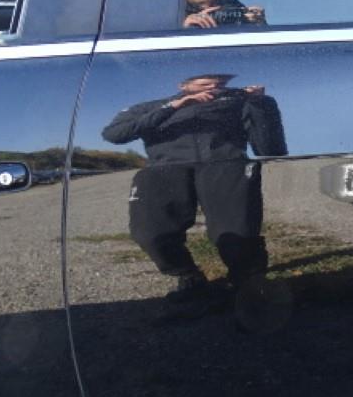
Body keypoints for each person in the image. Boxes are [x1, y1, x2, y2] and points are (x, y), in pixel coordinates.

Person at [101, 74, 286, 306]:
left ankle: (247, 282)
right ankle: (188, 276)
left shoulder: (240, 102)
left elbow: (271, 148)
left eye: (220, 83)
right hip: (164, 168)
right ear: (183, 85)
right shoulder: (151, 107)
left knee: (237, 233)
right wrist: (174, 107)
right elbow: (113, 134)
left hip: (225, 163)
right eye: (205, 83)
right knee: (150, 233)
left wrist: (260, 104)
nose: (214, 87)